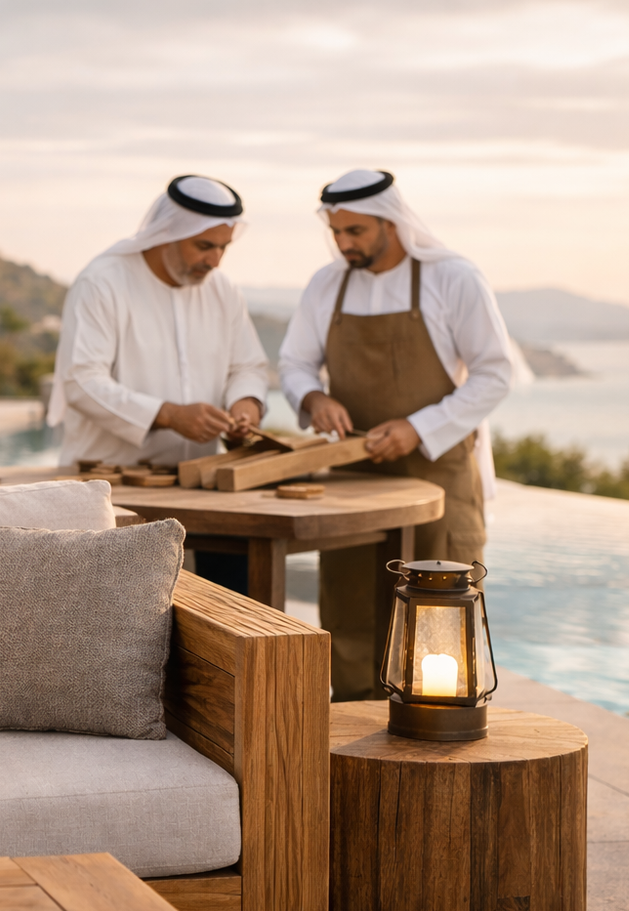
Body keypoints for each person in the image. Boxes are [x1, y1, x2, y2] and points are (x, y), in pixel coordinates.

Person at [278, 169, 518, 700]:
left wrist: (418, 428)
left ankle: (436, 744)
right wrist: (312, 398)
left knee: (440, 615)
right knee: (348, 609)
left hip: (440, 477)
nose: (344, 244)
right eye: (337, 233)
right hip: (352, 481)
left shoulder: (454, 277)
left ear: (391, 222)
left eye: (356, 232)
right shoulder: (326, 284)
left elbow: (495, 372)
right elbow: (294, 364)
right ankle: (353, 748)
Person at [48, 174, 271, 591]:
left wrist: (246, 405)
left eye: (223, 247)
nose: (215, 260)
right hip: (114, 492)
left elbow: (249, 367)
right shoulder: (103, 282)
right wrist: (168, 415)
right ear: (167, 234)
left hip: (204, 491)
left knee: (230, 617)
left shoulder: (222, 291)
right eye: (204, 246)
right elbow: (80, 379)